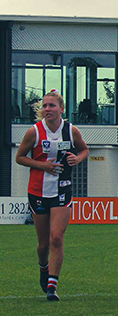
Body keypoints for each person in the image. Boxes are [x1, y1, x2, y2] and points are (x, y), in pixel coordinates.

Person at [15, 90, 89, 301]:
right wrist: (42, 165)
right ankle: (43, 266)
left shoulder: (71, 131)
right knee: (43, 244)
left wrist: (78, 158)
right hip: (38, 190)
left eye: (52, 105)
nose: (47, 109)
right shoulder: (34, 132)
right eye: (45, 106)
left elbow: (84, 150)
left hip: (62, 189)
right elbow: (20, 157)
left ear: (61, 109)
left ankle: (52, 286)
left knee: (56, 238)